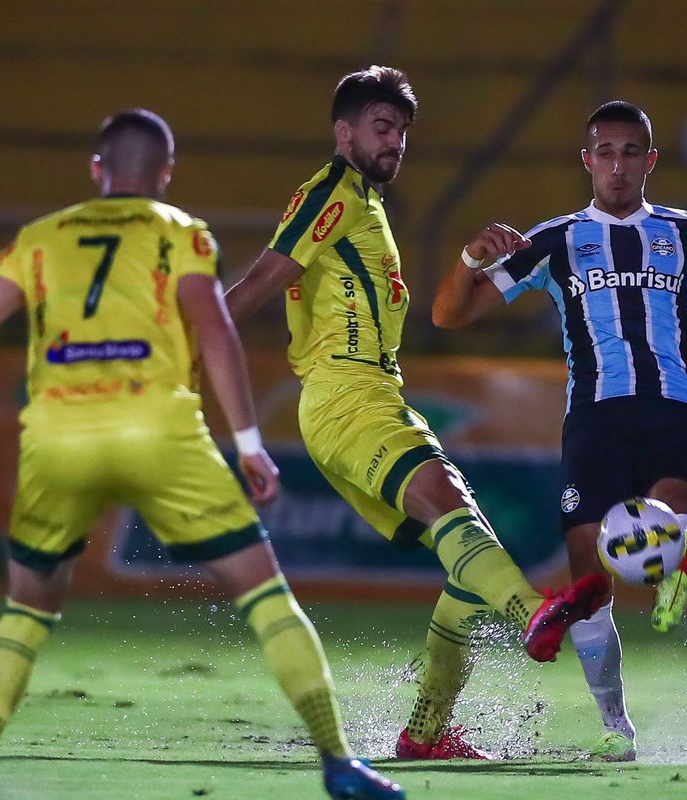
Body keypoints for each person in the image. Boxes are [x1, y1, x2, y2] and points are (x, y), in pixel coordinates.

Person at [0, 109, 404, 800]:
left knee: (28, 608)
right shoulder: (180, 232)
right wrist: (248, 444)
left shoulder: (40, 239)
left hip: (59, 439)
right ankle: (338, 764)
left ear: (97, 171)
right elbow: (214, 330)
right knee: (266, 593)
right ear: (165, 174)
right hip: (160, 431)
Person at [224, 66, 610, 762]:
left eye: (401, 130)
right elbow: (260, 282)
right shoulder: (330, 195)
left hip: (372, 395)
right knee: (446, 499)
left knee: (468, 553)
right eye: (381, 126)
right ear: (343, 132)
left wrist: (468, 257)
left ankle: (425, 733)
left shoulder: (368, 207)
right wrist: (191, 346)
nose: (395, 141)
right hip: (346, 395)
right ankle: (532, 613)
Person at [430, 100, 687, 762]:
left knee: (662, 512)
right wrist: (470, 257)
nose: (618, 165)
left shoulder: (686, 234)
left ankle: (677, 543)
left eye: (630, 151)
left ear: (651, 160)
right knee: (590, 578)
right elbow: (449, 315)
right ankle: (616, 726)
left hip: (672, 410)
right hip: (594, 421)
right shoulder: (553, 242)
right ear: (587, 162)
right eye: (605, 152)